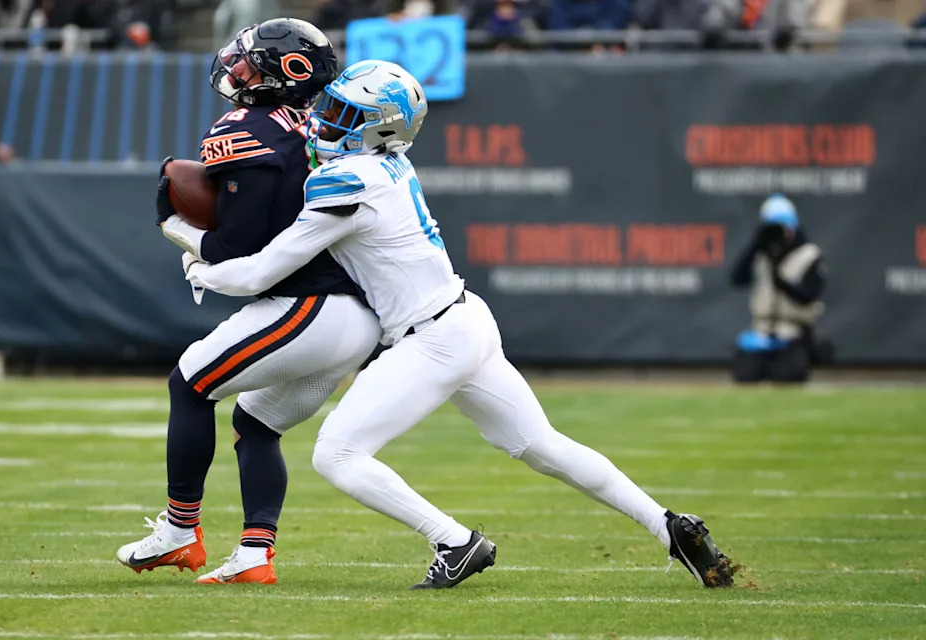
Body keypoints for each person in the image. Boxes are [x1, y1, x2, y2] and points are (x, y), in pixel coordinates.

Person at [185, 60, 736, 590]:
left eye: (345, 114)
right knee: (542, 445)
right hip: (465, 319)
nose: (325, 120)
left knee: (338, 454)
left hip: (431, 338)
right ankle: (668, 525)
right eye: (330, 106)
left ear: (378, 131)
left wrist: (188, 245)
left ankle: (453, 541)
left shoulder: (345, 179)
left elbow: (260, 272)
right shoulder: (388, 164)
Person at [115, 19, 381, 585]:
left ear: (284, 75)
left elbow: (239, 246)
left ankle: (180, 531)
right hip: (359, 317)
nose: (237, 71)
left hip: (311, 305)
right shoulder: (325, 124)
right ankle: (255, 555)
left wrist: (177, 225)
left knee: (189, 384)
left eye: (250, 63)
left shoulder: (248, 127)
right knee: (255, 424)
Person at [729, 194, 827, 384]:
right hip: (761, 330)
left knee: (788, 376)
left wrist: (779, 280)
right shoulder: (761, 253)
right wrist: (756, 244)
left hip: (792, 330)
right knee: (745, 376)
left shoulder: (808, 254)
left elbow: (808, 296)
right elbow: (737, 278)